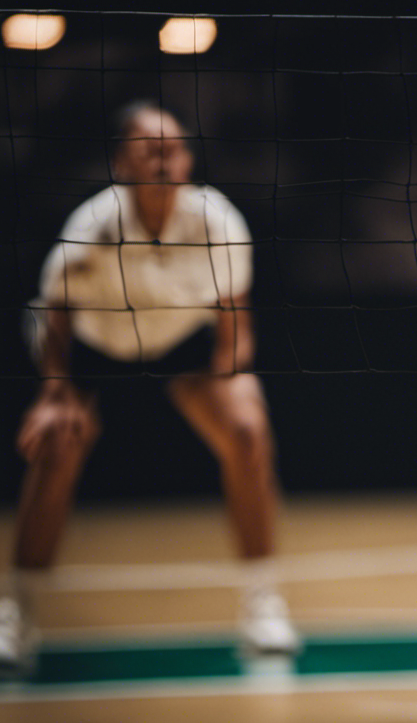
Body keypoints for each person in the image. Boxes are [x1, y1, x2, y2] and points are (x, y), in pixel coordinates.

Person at [2, 101, 300, 674]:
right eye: (150, 146)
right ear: (122, 161)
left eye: (175, 146)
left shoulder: (217, 221)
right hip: (92, 345)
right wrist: (55, 392)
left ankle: (264, 604)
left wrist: (232, 380)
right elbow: (53, 314)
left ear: (188, 160)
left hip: (182, 343)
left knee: (246, 427)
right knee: (59, 444)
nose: (165, 155)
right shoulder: (93, 226)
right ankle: (18, 613)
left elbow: (236, 323)